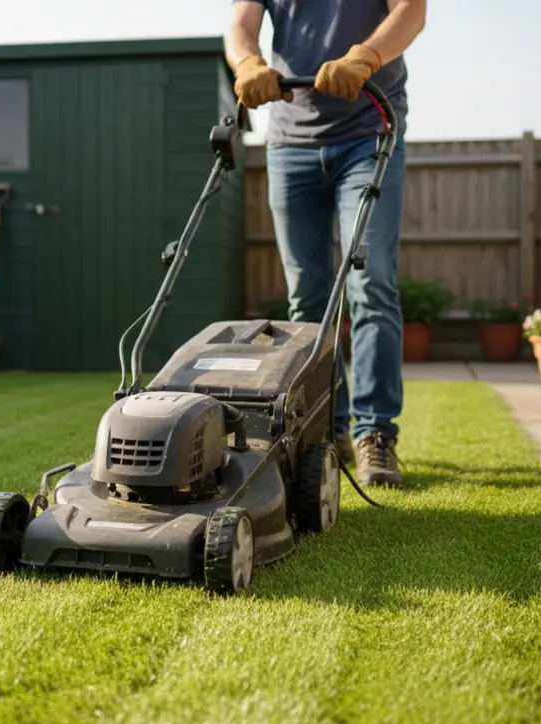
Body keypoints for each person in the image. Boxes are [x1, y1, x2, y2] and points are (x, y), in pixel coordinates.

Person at [224, 0, 425, 488]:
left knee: (371, 282)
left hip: (368, 131)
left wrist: (366, 57)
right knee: (308, 300)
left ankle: (375, 433)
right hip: (289, 143)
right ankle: (325, 428)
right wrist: (248, 63)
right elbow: (241, 24)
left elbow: (411, 12)